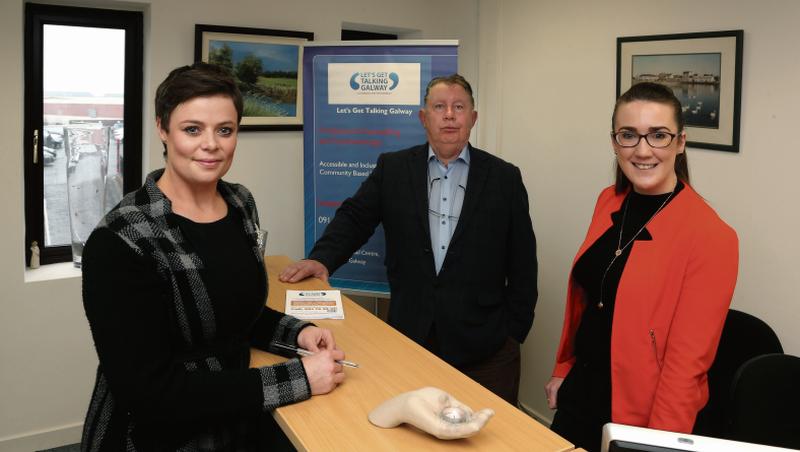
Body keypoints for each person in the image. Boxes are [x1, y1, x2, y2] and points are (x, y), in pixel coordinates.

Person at [81, 63, 346, 450]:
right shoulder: (119, 240)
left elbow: (228, 314)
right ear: (162, 129)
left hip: (236, 415)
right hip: (151, 437)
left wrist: (298, 333)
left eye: (225, 130)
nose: (212, 144)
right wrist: (300, 379)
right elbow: (151, 394)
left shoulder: (240, 203)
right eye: (192, 129)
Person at [280, 74, 538, 405]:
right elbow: (355, 218)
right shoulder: (394, 169)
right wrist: (321, 258)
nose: (449, 115)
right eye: (439, 107)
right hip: (411, 338)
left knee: (496, 436)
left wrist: (513, 334)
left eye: (459, 107)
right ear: (423, 117)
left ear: (473, 118)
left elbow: (523, 260)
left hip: (486, 348)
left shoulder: (504, 177)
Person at [544, 82, 738, 451]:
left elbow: (686, 369)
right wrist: (563, 369)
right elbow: (590, 301)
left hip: (639, 416)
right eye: (629, 135)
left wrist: (655, 445)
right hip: (580, 396)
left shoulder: (712, 236)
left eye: (659, 136)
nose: (643, 150)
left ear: (680, 142)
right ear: (615, 142)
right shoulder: (609, 201)